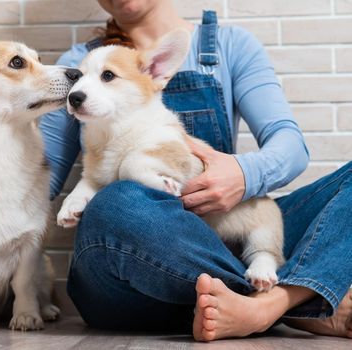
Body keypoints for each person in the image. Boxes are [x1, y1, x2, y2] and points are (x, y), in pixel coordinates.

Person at [39, 0, 352, 341]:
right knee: (116, 204)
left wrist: (241, 174)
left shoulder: (228, 45)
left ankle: (263, 304)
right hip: (134, 274)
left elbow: (290, 145)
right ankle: (293, 305)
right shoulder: (75, 66)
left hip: (228, 227)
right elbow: (43, 179)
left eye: (107, 77)